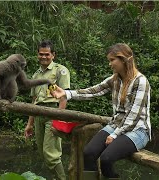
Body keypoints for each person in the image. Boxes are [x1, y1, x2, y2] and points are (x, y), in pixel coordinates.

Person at [51, 43, 151, 180]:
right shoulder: (115, 79)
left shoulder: (141, 82)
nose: (110, 64)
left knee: (106, 158)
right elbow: (94, 91)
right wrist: (67, 94)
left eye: (112, 60)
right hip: (116, 125)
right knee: (88, 153)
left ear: (123, 59)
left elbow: (134, 116)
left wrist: (115, 135)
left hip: (137, 130)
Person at [24, 40, 70, 180]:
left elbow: (64, 97)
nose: (43, 57)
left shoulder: (60, 71)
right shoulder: (36, 75)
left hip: (53, 113)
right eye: (41, 54)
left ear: (53, 55)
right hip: (38, 115)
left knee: (51, 153)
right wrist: (29, 124)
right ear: (37, 55)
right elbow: (34, 101)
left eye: (47, 54)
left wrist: (58, 118)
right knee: (43, 153)